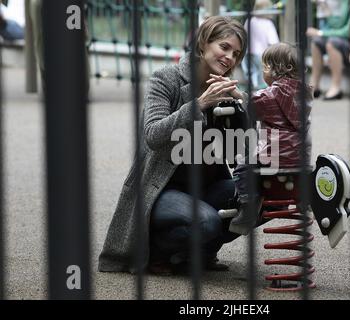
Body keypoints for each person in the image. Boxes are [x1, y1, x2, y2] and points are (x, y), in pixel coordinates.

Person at [98, 16, 248, 275]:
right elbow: (153, 135)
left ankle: (198, 254)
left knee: (260, 196)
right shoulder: (166, 78)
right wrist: (198, 105)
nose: (229, 58)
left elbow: (239, 154)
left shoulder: (226, 91)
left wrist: (243, 109)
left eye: (236, 54)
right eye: (224, 47)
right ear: (203, 44)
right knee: (207, 221)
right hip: (162, 189)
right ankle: (155, 251)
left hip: (205, 186)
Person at [230, 42, 313, 235]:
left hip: (275, 154)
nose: (263, 71)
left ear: (282, 69)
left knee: (242, 165)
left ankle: (249, 203)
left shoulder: (271, 94)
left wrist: (235, 94)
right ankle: (301, 197)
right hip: (299, 157)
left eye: (266, 66)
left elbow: (252, 105)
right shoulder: (305, 93)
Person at [306, 0, 350, 100]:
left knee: (332, 43)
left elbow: (348, 32)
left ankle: (336, 87)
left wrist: (320, 33)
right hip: (345, 41)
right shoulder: (346, 2)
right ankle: (315, 85)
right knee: (316, 42)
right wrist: (324, 6)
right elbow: (337, 24)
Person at [241, 0, 280, 90]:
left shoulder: (249, 20)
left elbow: (243, 35)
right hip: (262, 53)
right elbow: (274, 42)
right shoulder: (268, 23)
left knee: (251, 73)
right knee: (262, 75)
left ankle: (252, 88)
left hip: (248, 52)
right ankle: (260, 92)